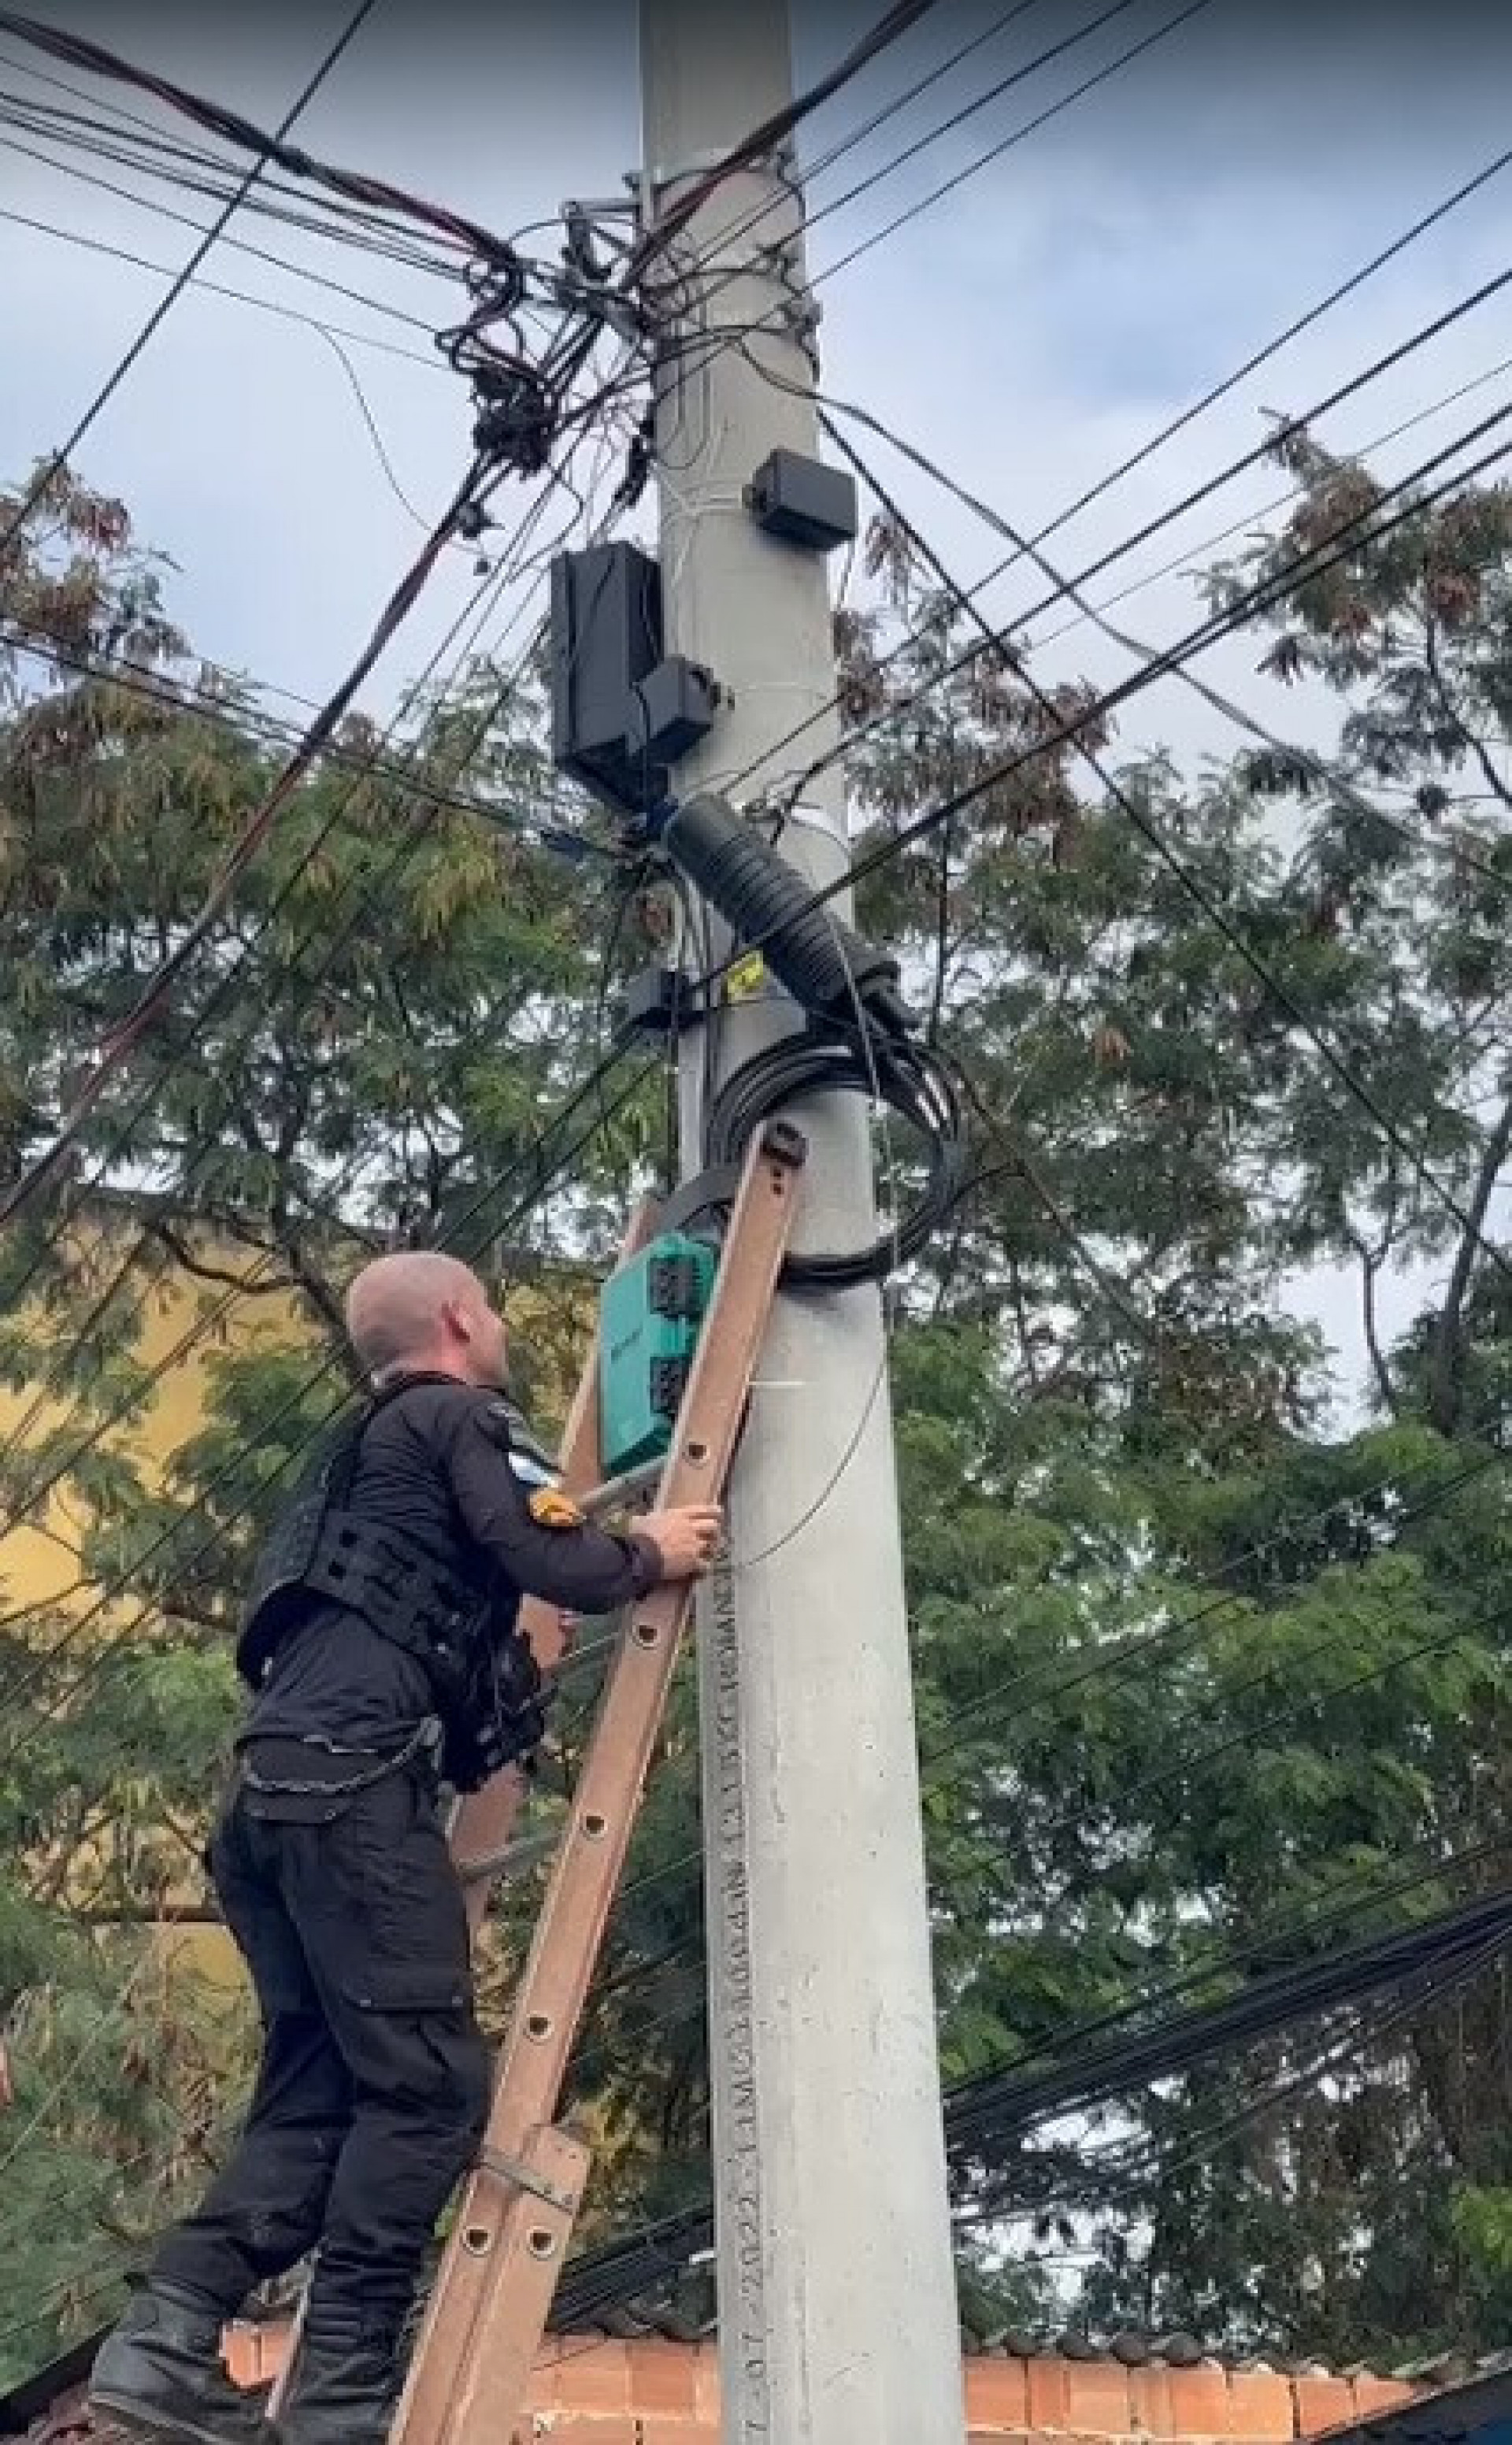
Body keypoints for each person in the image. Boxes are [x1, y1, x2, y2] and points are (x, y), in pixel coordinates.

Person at [90, 1251, 721, 2445]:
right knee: (429, 2093)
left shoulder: (356, 1462)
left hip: (269, 1805)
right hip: (348, 1793)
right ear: (457, 1319)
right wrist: (647, 1548)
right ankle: (334, 2398)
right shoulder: (456, 1416)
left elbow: (445, 1602)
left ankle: (163, 2342)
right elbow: (544, 1552)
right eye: (486, 1309)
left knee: (323, 2090)